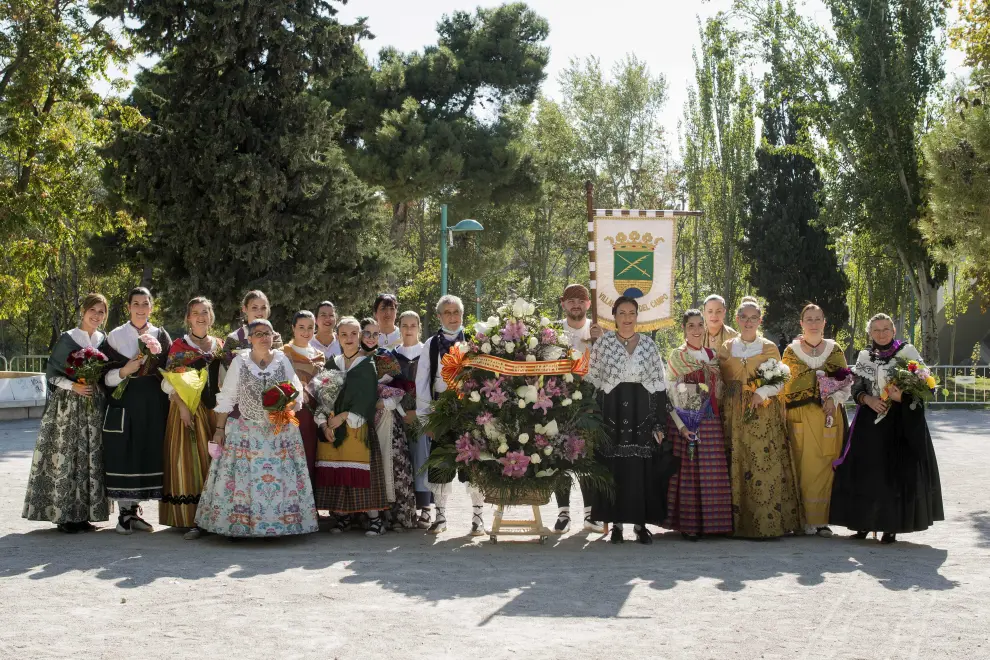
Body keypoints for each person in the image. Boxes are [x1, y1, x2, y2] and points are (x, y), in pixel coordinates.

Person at [196, 319, 318, 537]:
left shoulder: (282, 360)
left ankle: (282, 525)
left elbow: (297, 393)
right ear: (250, 339)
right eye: (258, 334)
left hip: (279, 432)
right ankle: (240, 526)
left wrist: (285, 405)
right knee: (242, 481)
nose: (263, 337)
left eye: (267, 333)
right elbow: (228, 397)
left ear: (273, 337)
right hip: (245, 432)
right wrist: (220, 429)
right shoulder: (240, 362)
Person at [829, 313, 944, 544]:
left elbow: (927, 386)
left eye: (886, 329)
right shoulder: (864, 356)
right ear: (870, 333)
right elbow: (857, 387)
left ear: (894, 331)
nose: (881, 334)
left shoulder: (907, 352)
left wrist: (903, 397)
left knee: (894, 474)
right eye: (876, 330)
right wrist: (868, 400)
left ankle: (891, 526)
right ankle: (862, 522)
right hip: (869, 422)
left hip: (899, 423)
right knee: (866, 472)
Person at [586, 296, 674, 544]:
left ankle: (640, 524)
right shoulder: (603, 344)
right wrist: (592, 416)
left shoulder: (648, 345)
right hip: (611, 411)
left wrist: (658, 422)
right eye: (622, 313)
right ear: (613, 316)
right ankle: (615, 525)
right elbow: (593, 382)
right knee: (614, 468)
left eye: (632, 313)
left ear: (637, 316)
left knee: (640, 468)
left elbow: (658, 386)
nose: (627, 318)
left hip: (641, 410)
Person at [22, 293, 111, 533]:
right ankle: (65, 516)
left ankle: (85, 515)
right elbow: (52, 373)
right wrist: (75, 386)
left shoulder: (103, 339)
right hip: (68, 405)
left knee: (90, 458)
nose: (96, 315)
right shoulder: (68, 338)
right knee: (67, 456)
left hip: (93, 405)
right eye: (93, 310)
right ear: (83, 311)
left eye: (101, 311)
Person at [718, 298, 803, 539]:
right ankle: (734, 523)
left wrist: (760, 392)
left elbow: (780, 378)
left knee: (761, 464)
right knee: (736, 461)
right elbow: (720, 379)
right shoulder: (726, 347)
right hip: (732, 412)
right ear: (737, 319)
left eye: (753, 318)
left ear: (760, 320)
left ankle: (765, 524)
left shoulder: (768, 347)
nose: (748, 322)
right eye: (743, 317)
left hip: (761, 411)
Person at [101, 287, 172, 534]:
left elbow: (170, 372)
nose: (141, 308)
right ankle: (124, 514)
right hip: (124, 401)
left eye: (145, 303)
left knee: (145, 451)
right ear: (128, 307)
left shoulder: (161, 335)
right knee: (126, 451)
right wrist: (124, 371)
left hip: (153, 403)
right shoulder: (115, 336)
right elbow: (103, 378)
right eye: (136, 304)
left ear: (151, 307)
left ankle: (134, 513)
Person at [418, 295, 489, 536]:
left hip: (470, 409)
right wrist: (426, 417)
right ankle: (440, 516)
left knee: (474, 461)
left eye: (455, 312)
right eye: (446, 312)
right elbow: (422, 382)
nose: (452, 317)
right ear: (439, 316)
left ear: (462, 314)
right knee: (440, 462)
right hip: (442, 410)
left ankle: (478, 516)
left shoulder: (475, 340)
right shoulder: (430, 345)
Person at [313, 317, 390, 537]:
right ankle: (342, 517)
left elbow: (367, 399)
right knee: (336, 473)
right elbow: (323, 397)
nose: (349, 339)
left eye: (354, 334)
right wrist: (325, 422)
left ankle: (375, 520)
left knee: (361, 475)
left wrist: (345, 416)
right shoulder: (331, 364)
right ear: (337, 336)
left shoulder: (367, 365)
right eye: (344, 334)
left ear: (361, 336)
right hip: (333, 427)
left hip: (357, 428)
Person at [781, 304, 851, 537]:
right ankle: (801, 519)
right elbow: (788, 383)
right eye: (808, 319)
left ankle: (822, 520)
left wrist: (834, 395)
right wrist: (819, 379)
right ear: (801, 324)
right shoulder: (791, 351)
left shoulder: (835, 349)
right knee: (801, 465)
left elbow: (845, 381)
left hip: (828, 415)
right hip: (799, 416)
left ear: (824, 322)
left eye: (817, 318)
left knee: (825, 464)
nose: (813, 323)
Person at [663, 309, 733, 541]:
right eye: (690, 325)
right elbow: (671, 389)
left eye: (699, 325)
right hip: (687, 418)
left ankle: (715, 524)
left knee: (712, 470)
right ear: (683, 329)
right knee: (690, 472)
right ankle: (689, 525)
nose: (695, 330)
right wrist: (684, 420)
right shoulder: (678, 356)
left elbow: (720, 388)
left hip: (711, 418)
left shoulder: (713, 356)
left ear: (704, 328)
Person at [160, 297, 223, 538]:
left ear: (211, 316)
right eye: (195, 312)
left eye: (205, 312)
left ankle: (213, 517)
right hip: (186, 408)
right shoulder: (179, 346)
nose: (201, 316)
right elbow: (168, 381)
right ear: (188, 318)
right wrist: (182, 406)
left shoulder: (220, 345)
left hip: (214, 410)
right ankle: (190, 518)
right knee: (188, 461)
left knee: (213, 461)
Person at [551, 283, 604, 534]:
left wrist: (599, 343)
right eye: (570, 300)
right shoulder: (551, 332)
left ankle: (590, 513)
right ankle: (563, 513)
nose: (575, 304)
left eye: (580, 300)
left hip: (589, 402)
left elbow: (605, 369)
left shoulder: (599, 332)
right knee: (559, 455)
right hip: (558, 401)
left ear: (588, 304)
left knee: (587, 457)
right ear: (563, 304)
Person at [360, 317, 416, 530]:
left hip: (389, 420)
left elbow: (402, 384)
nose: (372, 338)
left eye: (376, 334)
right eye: (367, 333)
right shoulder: (354, 358)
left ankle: (397, 517)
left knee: (393, 465)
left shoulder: (387, 356)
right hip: (363, 420)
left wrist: (389, 401)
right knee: (370, 467)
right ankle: (371, 517)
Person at [391, 310, 434, 528]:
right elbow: (387, 387)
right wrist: (401, 411)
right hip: (396, 416)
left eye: (413, 325)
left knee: (421, 457)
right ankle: (402, 508)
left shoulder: (427, 354)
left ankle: (426, 508)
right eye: (405, 325)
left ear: (419, 327)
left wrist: (419, 412)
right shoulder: (391, 356)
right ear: (399, 327)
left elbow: (432, 386)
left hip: (422, 416)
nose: (409, 330)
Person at [283, 310, 326, 488]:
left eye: (310, 327)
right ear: (293, 328)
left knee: (311, 453)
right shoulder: (283, 353)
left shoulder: (319, 355)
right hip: (291, 413)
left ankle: (310, 503)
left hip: (314, 414)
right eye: (301, 327)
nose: (306, 332)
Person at [222, 290, 283, 367]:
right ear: (245, 309)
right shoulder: (234, 338)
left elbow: (281, 367)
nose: (259, 312)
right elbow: (225, 370)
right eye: (254, 308)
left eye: (263, 308)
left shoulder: (275, 338)